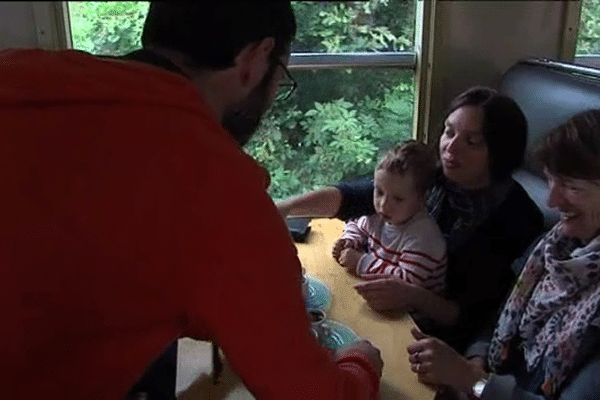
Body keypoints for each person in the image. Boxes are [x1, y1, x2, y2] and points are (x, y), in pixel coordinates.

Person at [0, 2, 384, 399]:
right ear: (256, 58)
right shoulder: (219, 186)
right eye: (279, 78)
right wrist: (361, 364)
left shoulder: (16, 71)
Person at [278, 86, 545, 352]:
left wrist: (410, 294)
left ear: (500, 151)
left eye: (471, 142)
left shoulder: (516, 219)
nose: (451, 147)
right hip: (388, 302)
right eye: (449, 132)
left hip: (436, 339)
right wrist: (284, 208)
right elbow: (351, 197)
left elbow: (473, 317)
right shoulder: (432, 174)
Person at [406, 108, 600, 400]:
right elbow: (500, 314)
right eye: (550, 180)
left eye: (571, 187)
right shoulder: (555, 243)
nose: (551, 200)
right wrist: (476, 360)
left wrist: (473, 381)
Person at [332, 141, 447, 321]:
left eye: (398, 199)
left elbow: (405, 283)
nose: (384, 204)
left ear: (421, 199)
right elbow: (356, 224)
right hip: (382, 305)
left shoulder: (424, 236)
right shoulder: (381, 215)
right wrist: (349, 240)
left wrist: (361, 262)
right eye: (379, 192)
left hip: (413, 320)